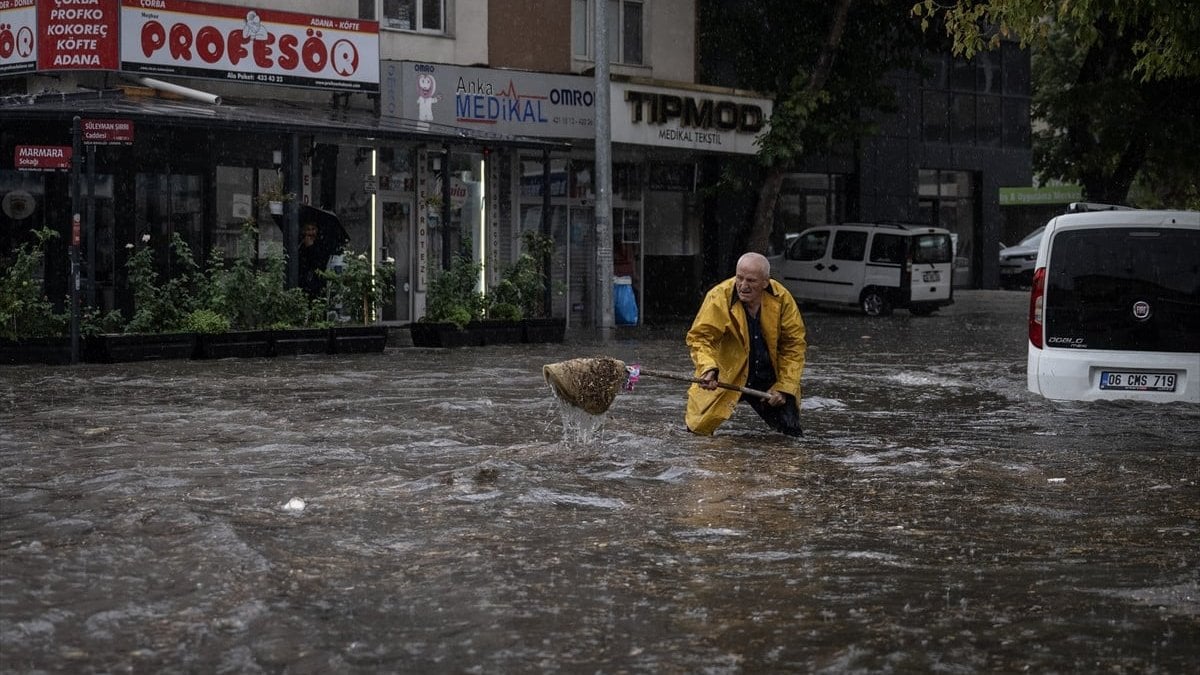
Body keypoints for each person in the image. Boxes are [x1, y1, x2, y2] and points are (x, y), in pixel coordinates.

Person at [685, 252, 807, 436]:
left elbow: (794, 346)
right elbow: (700, 337)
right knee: (696, 432)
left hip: (768, 377)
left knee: (791, 436)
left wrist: (785, 386)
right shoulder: (719, 297)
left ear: (765, 282)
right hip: (726, 375)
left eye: (751, 281)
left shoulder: (782, 298)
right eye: (739, 278)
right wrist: (708, 368)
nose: (743, 286)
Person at [297, 221, 326, 298]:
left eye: (313, 229)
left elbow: (318, 263)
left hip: (315, 283)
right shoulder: (300, 244)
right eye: (308, 229)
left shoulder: (320, 244)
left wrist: (310, 247)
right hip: (302, 281)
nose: (311, 232)